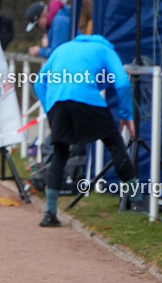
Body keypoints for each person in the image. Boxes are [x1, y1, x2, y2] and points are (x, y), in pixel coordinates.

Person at [33, 34, 140, 227]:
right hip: (87, 99)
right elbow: (123, 83)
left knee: (60, 153)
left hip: (58, 102)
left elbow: (39, 83)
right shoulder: (106, 50)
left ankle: (49, 213)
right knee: (115, 143)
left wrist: (50, 109)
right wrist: (126, 115)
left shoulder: (62, 48)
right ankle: (137, 202)